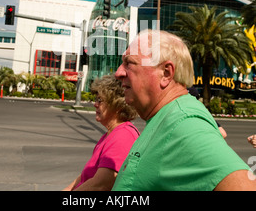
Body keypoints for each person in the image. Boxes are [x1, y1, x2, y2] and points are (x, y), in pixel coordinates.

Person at [113, 29, 256, 191]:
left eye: (129, 63)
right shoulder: (166, 116)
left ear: (166, 73)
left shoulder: (185, 123)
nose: (118, 72)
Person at [62, 74, 139, 191]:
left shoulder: (123, 136)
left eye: (100, 100)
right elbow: (85, 175)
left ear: (117, 104)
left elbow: (101, 185)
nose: (95, 104)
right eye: (95, 99)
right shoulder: (111, 134)